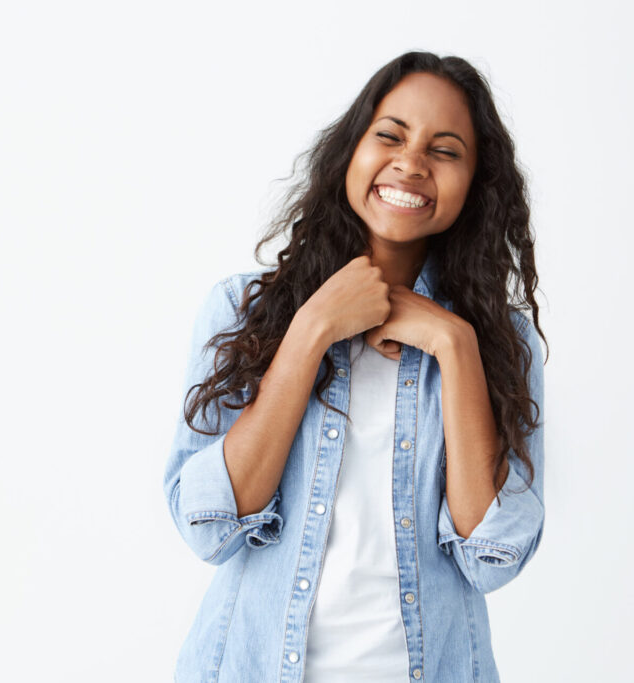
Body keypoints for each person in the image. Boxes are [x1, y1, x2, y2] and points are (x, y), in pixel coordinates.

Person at [163, 51, 547, 683]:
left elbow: (491, 559)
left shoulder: (503, 343)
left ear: (476, 183)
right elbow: (211, 531)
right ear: (352, 151)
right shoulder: (242, 308)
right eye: (390, 135)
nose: (412, 162)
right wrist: (312, 329)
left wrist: (454, 345)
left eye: (445, 150)